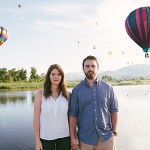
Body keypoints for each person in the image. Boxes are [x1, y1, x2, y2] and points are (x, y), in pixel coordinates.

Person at [69, 55, 119, 150]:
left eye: (93, 66)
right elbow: (73, 115)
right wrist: (73, 137)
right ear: (83, 68)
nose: (90, 68)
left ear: (98, 68)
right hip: (84, 140)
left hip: (106, 139)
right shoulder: (76, 90)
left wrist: (114, 131)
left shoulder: (108, 88)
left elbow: (114, 110)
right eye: (87, 66)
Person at [33, 64, 71, 150]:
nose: (56, 77)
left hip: (64, 137)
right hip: (45, 137)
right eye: (53, 74)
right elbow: (36, 118)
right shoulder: (40, 94)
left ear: (62, 76)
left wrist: (73, 137)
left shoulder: (68, 95)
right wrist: (37, 140)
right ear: (49, 76)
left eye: (59, 74)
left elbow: (71, 118)